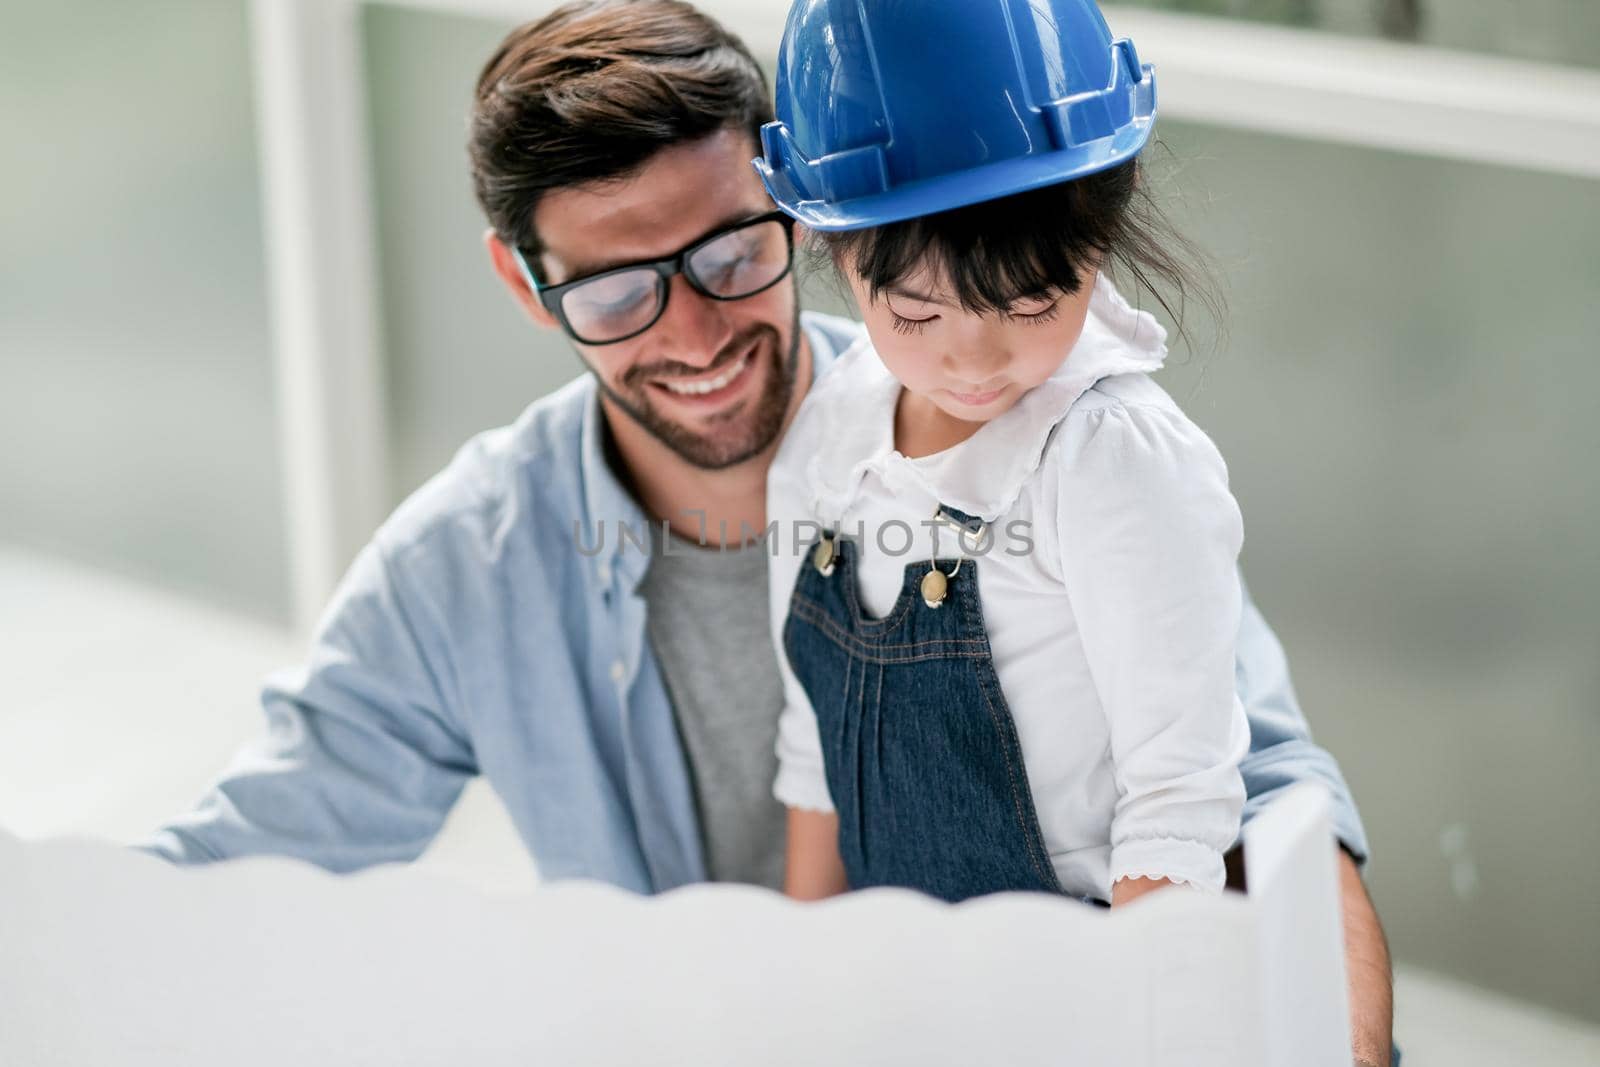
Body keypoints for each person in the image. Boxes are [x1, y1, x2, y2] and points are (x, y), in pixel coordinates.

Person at [140, 1, 1391, 1061]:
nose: (691, 336)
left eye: (732, 254)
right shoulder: (469, 570)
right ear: (527, 288)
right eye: (620, 291)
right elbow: (231, 863)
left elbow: (1256, 789)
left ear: (799, 222)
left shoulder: (1056, 449)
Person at [762, 0, 1246, 910]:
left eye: (1030, 303)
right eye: (914, 313)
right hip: (896, 978)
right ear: (824, 242)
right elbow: (811, 754)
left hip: (1090, 975)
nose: (974, 361)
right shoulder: (826, 441)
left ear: (1101, 229)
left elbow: (1177, 805)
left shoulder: (1111, 462)